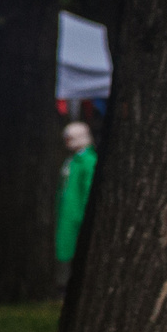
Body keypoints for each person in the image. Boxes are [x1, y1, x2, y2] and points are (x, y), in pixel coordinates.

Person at [55, 120, 97, 287]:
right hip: (69, 213)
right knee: (67, 249)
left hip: (77, 214)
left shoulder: (87, 161)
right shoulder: (74, 160)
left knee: (77, 249)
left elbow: (88, 190)